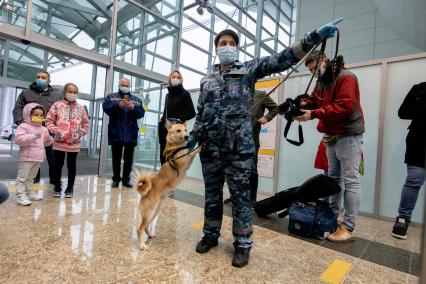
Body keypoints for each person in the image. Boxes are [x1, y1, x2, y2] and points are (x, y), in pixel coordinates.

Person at [188, 20, 342, 267]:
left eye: (231, 43)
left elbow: (282, 59)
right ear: (215, 48)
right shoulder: (207, 80)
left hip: (238, 148)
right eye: (222, 43)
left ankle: (242, 244)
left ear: (236, 48)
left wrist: (312, 37)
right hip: (211, 148)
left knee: (240, 198)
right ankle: (210, 235)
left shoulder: (248, 69)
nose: (226, 46)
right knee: (212, 196)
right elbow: (201, 111)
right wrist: (193, 135)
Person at [294, 51, 364, 242]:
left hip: (348, 133)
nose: (313, 73)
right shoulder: (322, 81)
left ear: (325, 60)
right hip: (331, 134)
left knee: (351, 180)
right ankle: (333, 214)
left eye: (315, 67)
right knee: (333, 178)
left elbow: (344, 107)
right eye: (310, 70)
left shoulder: (346, 77)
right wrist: (303, 102)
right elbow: (315, 100)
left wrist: (312, 113)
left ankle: (349, 226)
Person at [224, 89, 278, 207]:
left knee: (252, 168)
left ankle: (252, 198)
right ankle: (235, 195)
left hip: (252, 137)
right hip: (235, 138)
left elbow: (275, 108)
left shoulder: (261, 94)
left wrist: (267, 118)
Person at [13, 70, 62, 184]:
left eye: (43, 77)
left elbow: (61, 112)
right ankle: (33, 179)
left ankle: (54, 180)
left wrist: (56, 128)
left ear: (49, 80)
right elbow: (18, 109)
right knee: (33, 156)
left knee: (53, 157)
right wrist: (23, 125)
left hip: (49, 131)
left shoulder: (57, 95)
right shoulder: (26, 93)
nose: (40, 79)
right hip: (31, 131)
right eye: (38, 77)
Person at [391, 82, 426, 239]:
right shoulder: (420, 88)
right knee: (414, 180)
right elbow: (403, 112)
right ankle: (403, 219)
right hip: (419, 140)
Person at [46, 83, 89, 198]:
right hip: (59, 141)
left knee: (72, 166)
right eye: (70, 91)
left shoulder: (81, 108)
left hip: (74, 142)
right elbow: (49, 121)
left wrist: (81, 132)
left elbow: (86, 123)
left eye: (75, 92)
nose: (72, 94)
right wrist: (55, 130)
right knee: (57, 165)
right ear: (65, 92)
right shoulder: (57, 105)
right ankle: (57, 186)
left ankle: (70, 188)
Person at [102, 78, 145, 188]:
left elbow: (141, 113)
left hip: (131, 133)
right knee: (116, 157)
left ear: (129, 86)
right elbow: (106, 108)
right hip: (116, 132)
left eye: (126, 85)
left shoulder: (136, 100)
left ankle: (126, 179)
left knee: (128, 159)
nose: (124, 86)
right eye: (122, 84)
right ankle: (116, 179)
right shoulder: (111, 97)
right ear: (119, 85)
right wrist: (118, 105)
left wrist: (133, 108)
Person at [14, 103, 53, 206]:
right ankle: (20, 196)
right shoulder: (24, 126)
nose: (39, 117)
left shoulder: (44, 129)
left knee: (31, 178)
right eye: (36, 114)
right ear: (28, 114)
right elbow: (18, 140)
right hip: (26, 158)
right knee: (22, 178)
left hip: (38, 157)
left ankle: (30, 193)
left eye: (41, 115)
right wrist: (32, 136)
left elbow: (47, 142)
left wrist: (50, 139)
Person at [158, 70, 196, 165]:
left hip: (177, 131)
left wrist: (180, 119)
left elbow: (192, 112)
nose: (175, 79)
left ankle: (173, 179)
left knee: (174, 158)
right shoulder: (168, 95)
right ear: (170, 79)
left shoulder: (185, 94)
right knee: (163, 156)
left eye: (178, 77)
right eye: (173, 77)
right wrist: (161, 121)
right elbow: (166, 111)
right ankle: (164, 179)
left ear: (181, 80)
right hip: (165, 129)